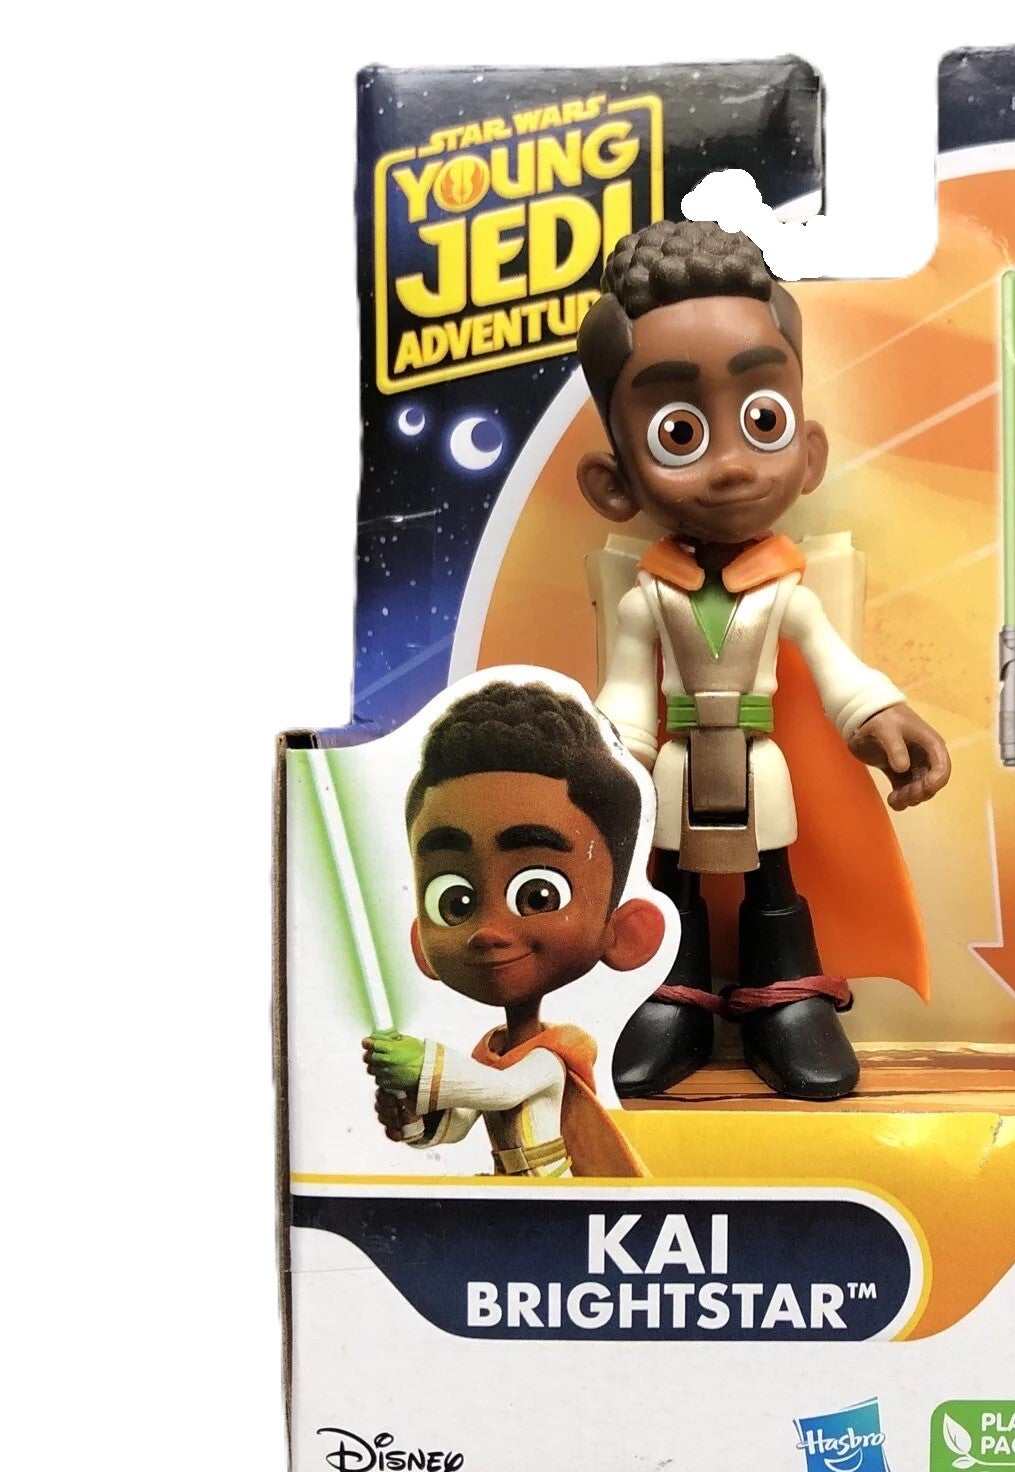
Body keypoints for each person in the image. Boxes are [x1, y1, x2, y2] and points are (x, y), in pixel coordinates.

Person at [577, 221, 951, 1101]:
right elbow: (626, 700)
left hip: (760, 760)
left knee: (773, 872)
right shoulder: (646, 601)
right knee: (669, 874)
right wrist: (607, 770)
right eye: (678, 432)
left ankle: (786, 996)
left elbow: (837, 669)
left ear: (808, 452)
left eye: (763, 421)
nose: (732, 466)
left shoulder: (787, 594)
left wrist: (882, 718)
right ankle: (669, 994)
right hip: (676, 767)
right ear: (615, 483)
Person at [363, 679, 664, 1176]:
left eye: (537, 896)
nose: (488, 931)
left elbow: (499, 1091)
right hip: (507, 1187)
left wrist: (424, 1064)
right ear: (421, 939)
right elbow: (458, 1120)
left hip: (554, 1188)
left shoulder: (554, 1055)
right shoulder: (491, 1052)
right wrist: (411, 1116)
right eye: (455, 902)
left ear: (626, 932)